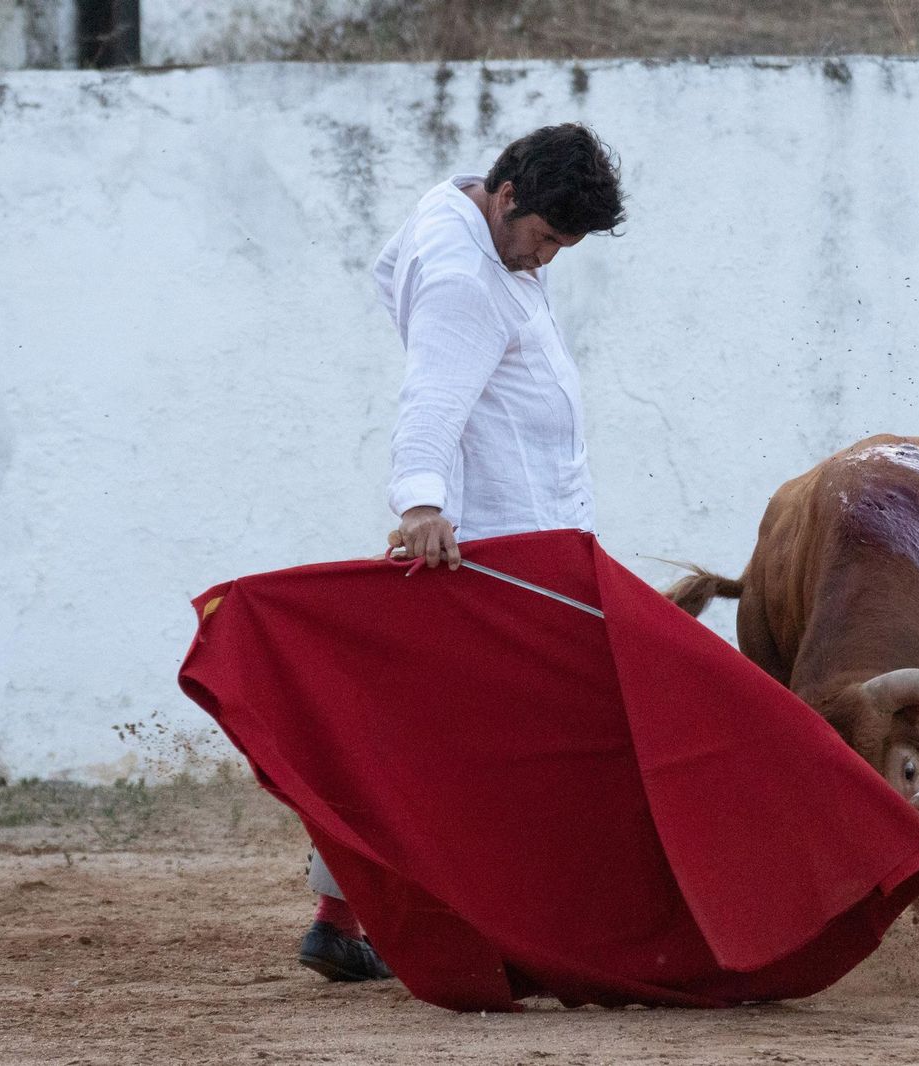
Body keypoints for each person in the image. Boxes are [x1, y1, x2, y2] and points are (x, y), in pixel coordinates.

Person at [295, 123, 627, 982]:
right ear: (508, 197)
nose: (549, 259)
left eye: (565, 246)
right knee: (543, 748)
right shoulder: (464, 276)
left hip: (511, 534)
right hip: (500, 552)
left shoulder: (457, 219)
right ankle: (523, 933)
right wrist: (424, 503)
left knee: (406, 734)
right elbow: (432, 398)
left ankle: (339, 918)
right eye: (548, 238)